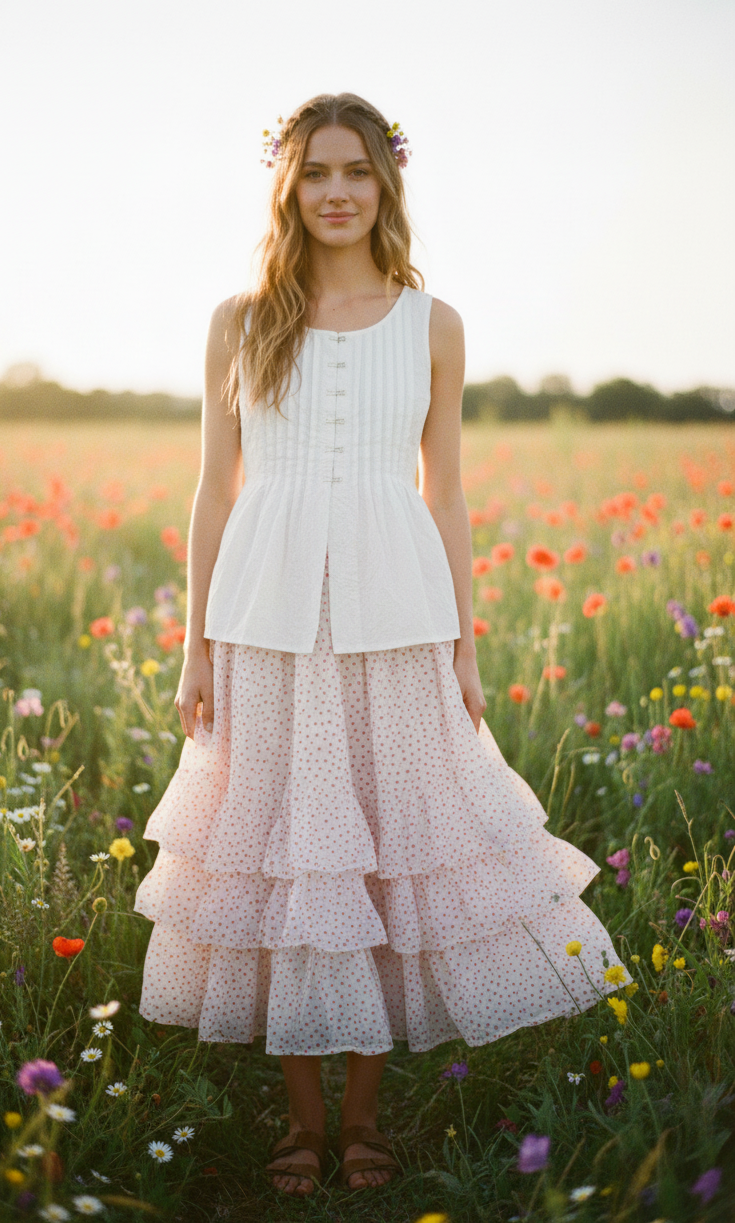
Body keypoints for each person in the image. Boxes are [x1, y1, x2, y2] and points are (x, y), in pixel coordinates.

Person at [133, 91, 630, 1198]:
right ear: (288, 186)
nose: (336, 192)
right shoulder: (239, 320)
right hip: (264, 624)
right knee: (288, 858)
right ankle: (299, 1122)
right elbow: (213, 492)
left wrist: (463, 645)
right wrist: (193, 644)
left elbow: (443, 493)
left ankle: (363, 1120)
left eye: (356, 170)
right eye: (315, 172)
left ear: (386, 183)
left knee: (386, 850)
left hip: (396, 620)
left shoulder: (432, 322)